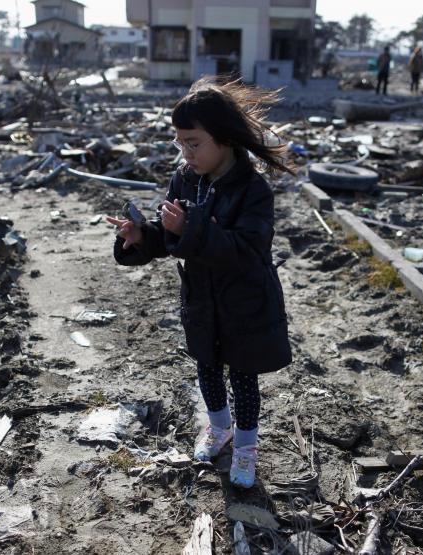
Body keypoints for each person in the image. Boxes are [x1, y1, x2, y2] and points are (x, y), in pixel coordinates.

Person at [106, 77, 294, 489]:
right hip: (201, 299)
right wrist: (143, 236)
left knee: (243, 380)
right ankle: (219, 429)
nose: (185, 153)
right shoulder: (184, 179)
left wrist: (190, 228)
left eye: (194, 143)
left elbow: (247, 248)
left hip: (245, 301)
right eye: (180, 143)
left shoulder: (253, 189)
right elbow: (172, 235)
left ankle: (245, 448)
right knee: (207, 369)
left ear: (224, 139)